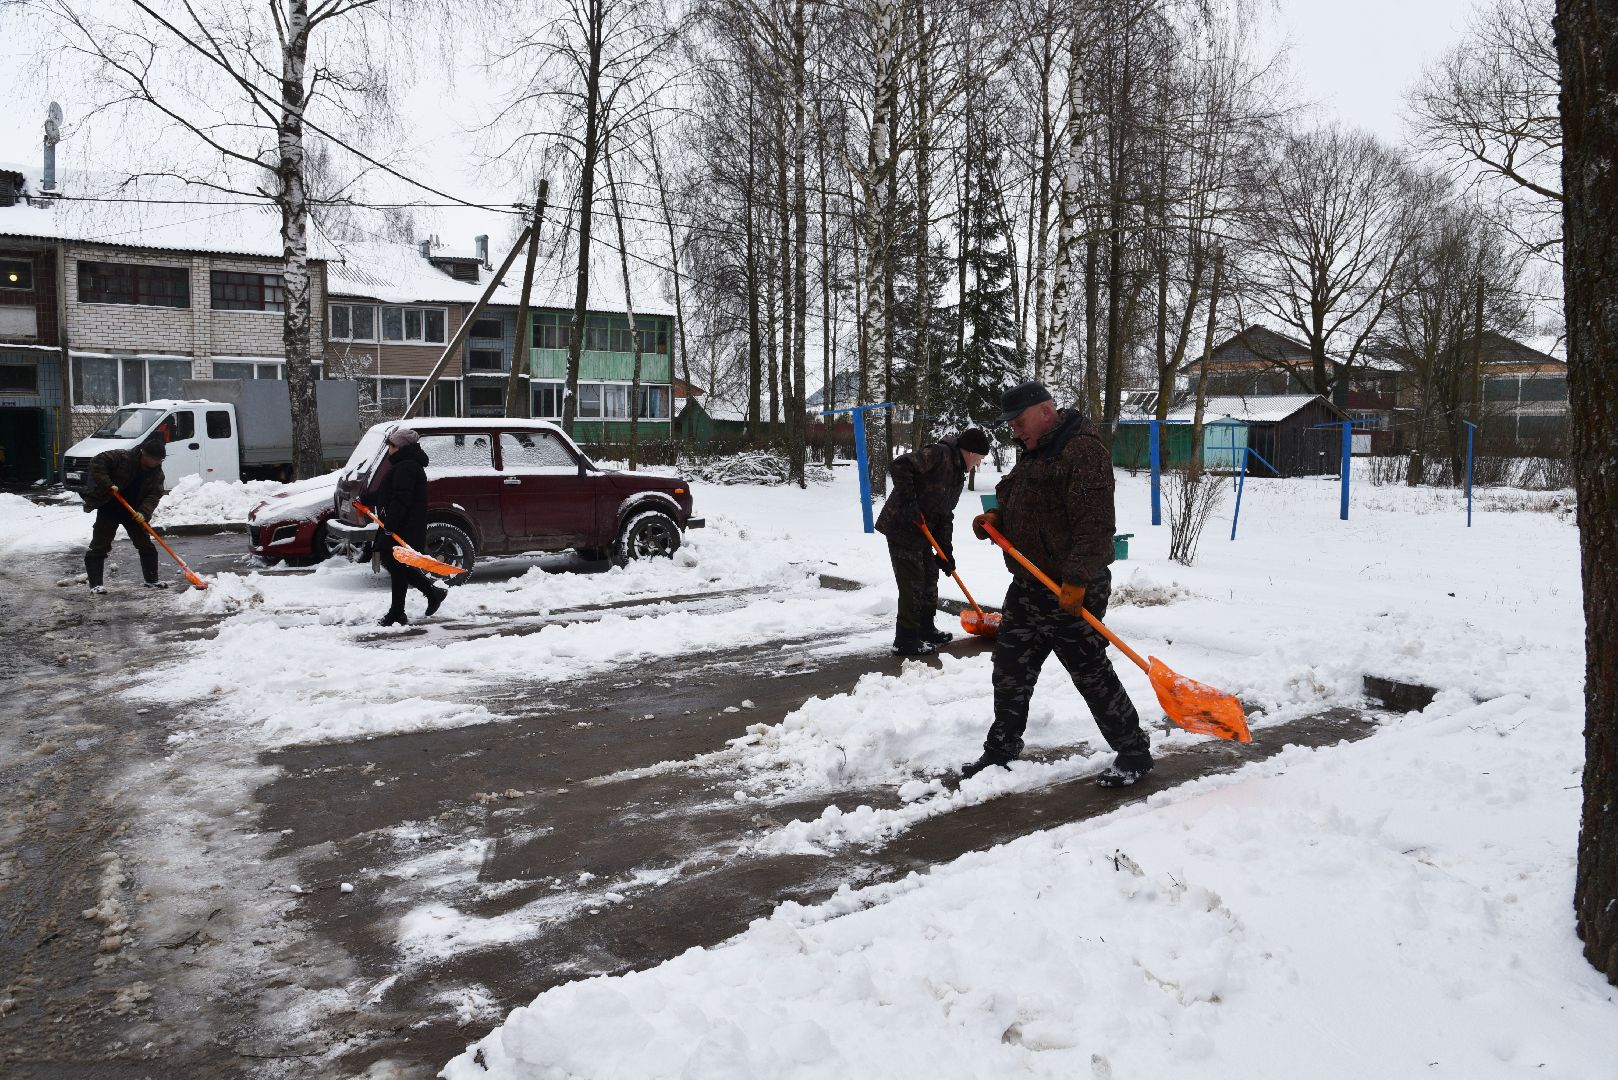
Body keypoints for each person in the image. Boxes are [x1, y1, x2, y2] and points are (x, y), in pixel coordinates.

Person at [962, 381, 1153, 788]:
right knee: (1010, 668)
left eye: (1019, 420)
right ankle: (1001, 749)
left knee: (1089, 671)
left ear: (1046, 411)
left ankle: (1133, 751)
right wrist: (997, 518)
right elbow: (1011, 493)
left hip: (1072, 587)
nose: (1014, 430)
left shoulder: (1082, 451)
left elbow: (1095, 525)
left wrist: (1078, 579)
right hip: (1031, 584)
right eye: (1010, 423)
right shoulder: (1035, 452)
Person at [875, 427, 991, 656]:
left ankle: (925, 629)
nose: (978, 464)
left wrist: (946, 551)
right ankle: (905, 639)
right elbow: (900, 465)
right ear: (969, 452)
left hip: (923, 531)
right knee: (913, 582)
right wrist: (910, 504)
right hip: (902, 526)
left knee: (930, 575)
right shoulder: (939, 454)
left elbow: (945, 515)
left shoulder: (957, 475)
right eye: (979, 458)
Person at [365, 427, 447, 626]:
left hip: (404, 527)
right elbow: (391, 494)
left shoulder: (407, 467)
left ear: (401, 447)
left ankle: (400, 612)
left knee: (398, 568)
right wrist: (367, 498)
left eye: (391, 446)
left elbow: (401, 502)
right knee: (398, 568)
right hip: (400, 525)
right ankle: (431, 594)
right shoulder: (403, 465)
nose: (389, 450)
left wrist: (389, 529)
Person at [81, 435, 169, 593]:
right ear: (144, 455)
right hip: (110, 507)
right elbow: (97, 462)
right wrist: (108, 484)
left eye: (161, 460)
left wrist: (144, 512)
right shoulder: (122, 457)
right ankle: (96, 586)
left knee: (146, 546)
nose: (158, 463)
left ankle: (152, 581)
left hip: (134, 511)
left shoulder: (157, 474)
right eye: (156, 459)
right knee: (99, 546)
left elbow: (154, 495)